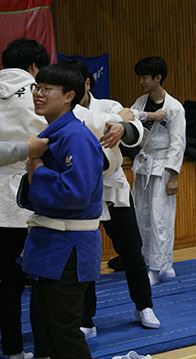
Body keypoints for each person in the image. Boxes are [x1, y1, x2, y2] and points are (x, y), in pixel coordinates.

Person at [66, 61, 161, 338]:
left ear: (86, 83)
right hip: (82, 192)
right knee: (87, 257)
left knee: (132, 249)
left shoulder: (108, 105)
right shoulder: (67, 113)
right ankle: (86, 318)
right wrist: (118, 121)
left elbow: (135, 131)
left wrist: (123, 127)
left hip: (114, 188)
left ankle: (144, 305)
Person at [17, 62, 104, 359]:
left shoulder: (75, 137)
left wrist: (37, 168)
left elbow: (76, 193)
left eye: (46, 89)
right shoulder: (53, 132)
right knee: (43, 328)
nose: (38, 94)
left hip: (69, 249)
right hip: (49, 244)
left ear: (69, 96)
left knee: (64, 332)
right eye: (36, 88)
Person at [0, 38, 49, 359]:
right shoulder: (39, 93)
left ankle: (14, 349)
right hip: (29, 196)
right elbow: (55, 135)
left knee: (5, 282)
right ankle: (45, 349)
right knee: (43, 280)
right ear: (34, 66)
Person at [131, 56, 186, 286]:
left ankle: (160, 266)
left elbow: (178, 142)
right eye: (140, 77)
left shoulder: (174, 107)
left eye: (145, 77)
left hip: (163, 166)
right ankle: (150, 262)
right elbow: (127, 118)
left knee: (160, 218)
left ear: (158, 78)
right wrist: (150, 116)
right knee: (142, 216)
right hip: (144, 165)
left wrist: (173, 176)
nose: (141, 81)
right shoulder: (141, 102)